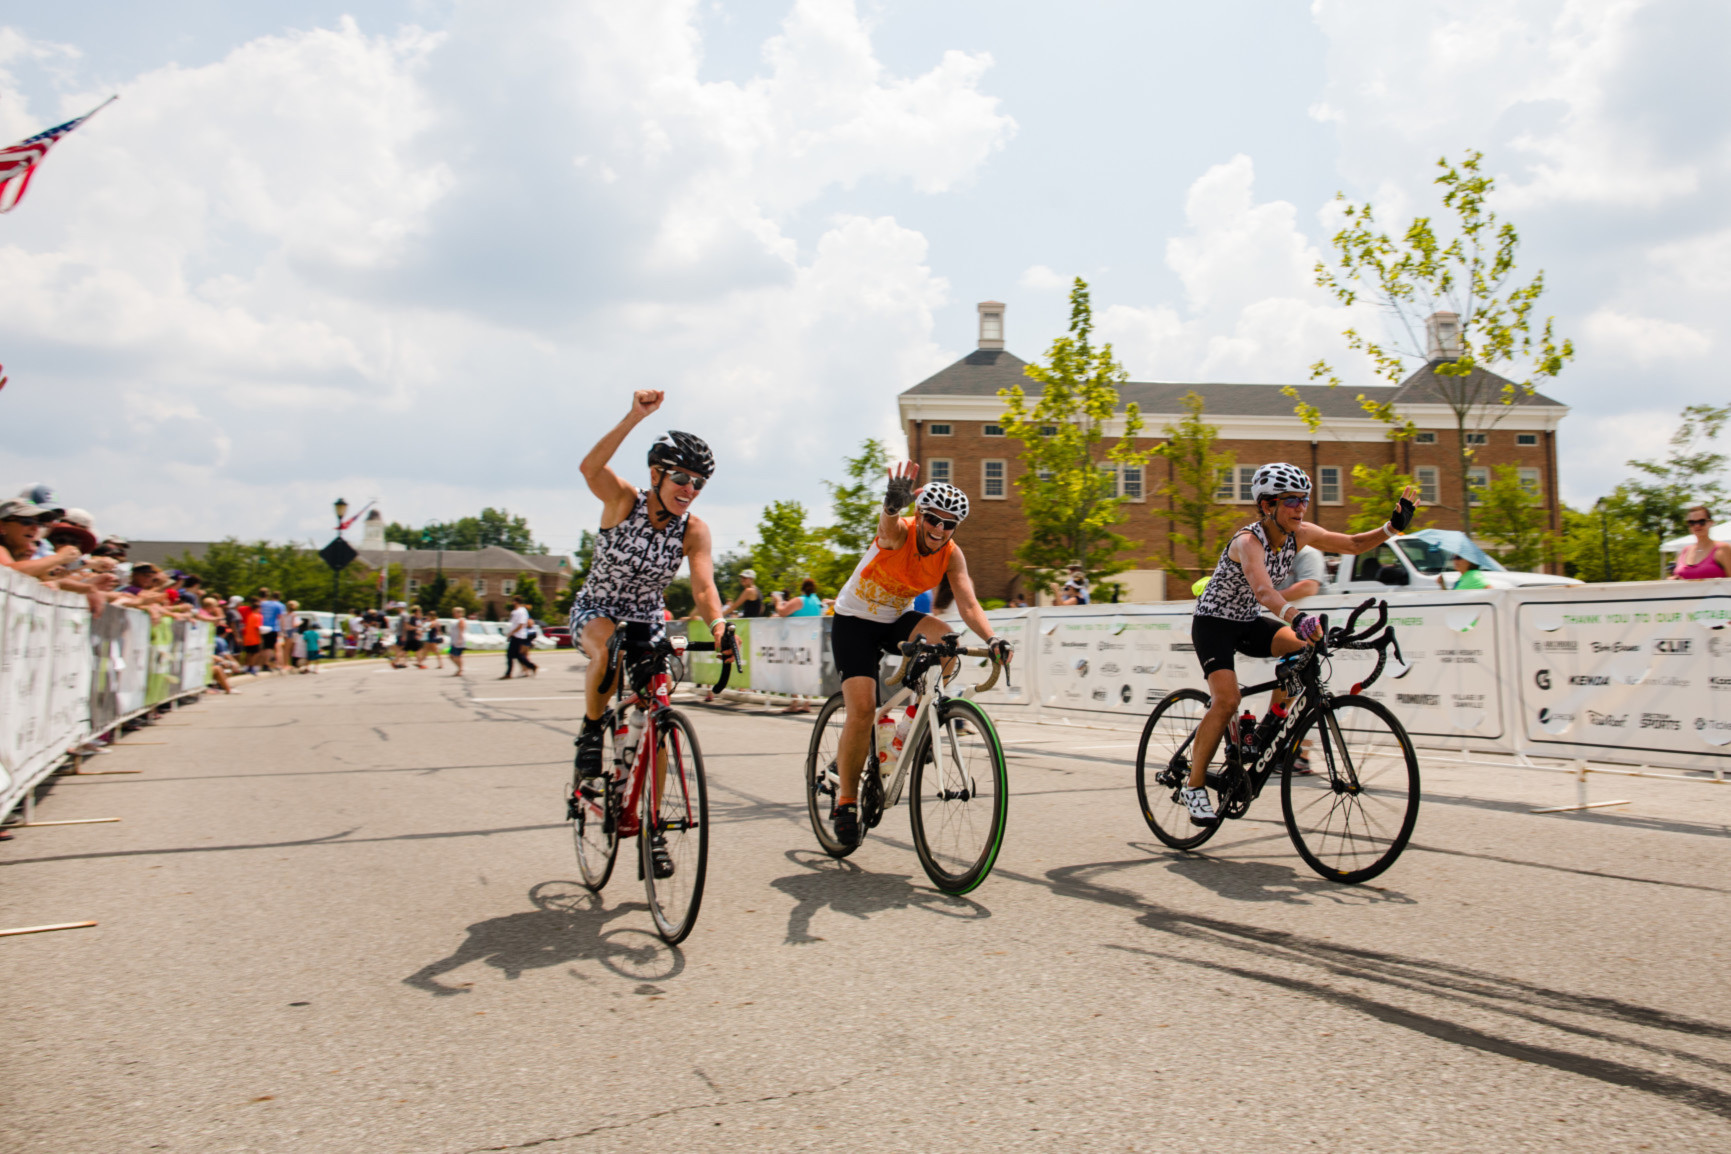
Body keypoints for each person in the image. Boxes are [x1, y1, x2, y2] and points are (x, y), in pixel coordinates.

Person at [1183, 463, 1419, 825]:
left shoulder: (1301, 535)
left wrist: (1392, 528)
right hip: (1214, 624)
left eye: (1303, 500)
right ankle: (1193, 785)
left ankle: (1269, 728)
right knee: (1227, 699)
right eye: (1290, 500)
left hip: (1246, 621)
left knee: (1303, 649)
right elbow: (1263, 590)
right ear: (1267, 505)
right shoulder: (1248, 542)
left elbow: (1354, 544)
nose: (1300, 507)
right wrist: (1296, 616)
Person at [568, 392, 736, 866]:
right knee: (610, 649)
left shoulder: (693, 530)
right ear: (656, 474)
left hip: (646, 618)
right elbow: (588, 469)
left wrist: (720, 626)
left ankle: (651, 825)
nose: (689, 489)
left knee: (658, 714)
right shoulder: (624, 501)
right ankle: (590, 732)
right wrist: (635, 417)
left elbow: (704, 590)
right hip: (598, 609)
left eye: (698, 483)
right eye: (680, 477)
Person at [825, 462, 1013, 847]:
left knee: (949, 644)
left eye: (949, 524)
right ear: (920, 515)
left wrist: (994, 639)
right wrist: (890, 507)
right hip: (855, 622)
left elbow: (969, 604)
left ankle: (914, 721)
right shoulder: (902, 533)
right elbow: (887, 531)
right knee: (862, 709)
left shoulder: (952, 554)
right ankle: (845, 801)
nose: (940, 530)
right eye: (933, 519)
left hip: (895, 619)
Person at [1670, 505, 1729, 580]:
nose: (1697, 526)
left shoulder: (1723, 549)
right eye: (1691, 522)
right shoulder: (1684, 551)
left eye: (1701, 522)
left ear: (1711, 523)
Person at [503, 595, 539, 679]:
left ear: (516, 602)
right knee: (518, 655)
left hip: (517, 636)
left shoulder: (519, 611)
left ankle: (508, 674)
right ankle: (532, 666)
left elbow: (521, 625)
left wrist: (511, 633)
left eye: (513, 601)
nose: (512, 603)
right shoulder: (521, 611)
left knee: (509, 655)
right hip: (519, 635)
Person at [448, 606, 468, 676]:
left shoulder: (461, 621)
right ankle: (459, 668)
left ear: (459, 613)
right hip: (454, 641)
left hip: (459, 642)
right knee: (451, 655)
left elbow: (461, 631)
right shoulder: (457, 621)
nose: (454, 614)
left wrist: (459, 640)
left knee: (457, 656)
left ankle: (460, 670)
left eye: (455, 612)